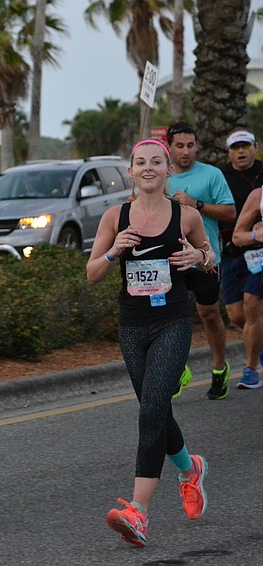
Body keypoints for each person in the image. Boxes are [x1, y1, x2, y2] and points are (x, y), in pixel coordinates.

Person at [87, 139, 211, 547]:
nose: (149, 169)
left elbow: (209, 255)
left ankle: (138, 512)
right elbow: (91, 274)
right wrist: (112, 253)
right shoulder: (115, 216)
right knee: (155, 410)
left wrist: (198, 257)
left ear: (167, 170)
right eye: (141, 163)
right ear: (131, 171)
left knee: (152, 410)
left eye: (156, 162)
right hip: (133, 325)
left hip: (173, 320)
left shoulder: (186, 215)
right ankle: (190, 468)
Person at [165, 122, 236, 397]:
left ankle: (219, 367)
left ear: (197, 146)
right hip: (170, 257)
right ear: (169, 147)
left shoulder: (212, 175)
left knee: (208, 313)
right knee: (172, 316)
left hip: (204, 257)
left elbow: (230, 213)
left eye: (190, 145)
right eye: (180, 146)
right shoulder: (161, 176)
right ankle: (178, 369)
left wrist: (197, 204)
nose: (186, 151)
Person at [219, 129, 263, 391]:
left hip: (259, 254)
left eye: (245, 146)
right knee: (236, 314)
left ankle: (250, 369)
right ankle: (258, 343)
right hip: (233, 249)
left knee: (252, 304)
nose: (241, 151)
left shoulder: (262, 176)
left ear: (255, 147)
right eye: (236, 148)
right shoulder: (221, 177)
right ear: (229, 153)